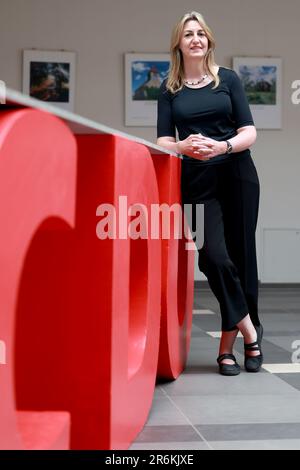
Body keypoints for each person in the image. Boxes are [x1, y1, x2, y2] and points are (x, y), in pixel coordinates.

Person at [156, 11, 263, 376]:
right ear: (179, 44)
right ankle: (251, 331)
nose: (196, 39)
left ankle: (228, 349)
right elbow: (163, 140)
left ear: (209, 41)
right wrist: (182, 147)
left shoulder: (228, 81)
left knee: (241, 258)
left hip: (237, 174)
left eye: (201, 33)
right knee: (213, 258)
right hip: (196, 182)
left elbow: (249, 131)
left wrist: (223, 147)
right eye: (188, 34)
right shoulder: (169, 89)